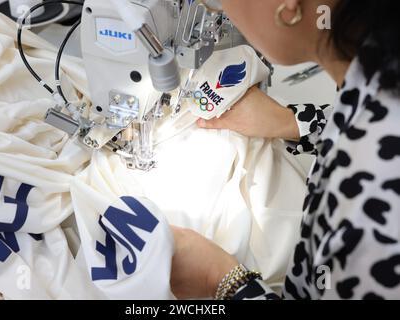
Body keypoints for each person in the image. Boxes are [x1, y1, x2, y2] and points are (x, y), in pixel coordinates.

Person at [170, 0, 400, 300]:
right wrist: (292, 122)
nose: (212, 8)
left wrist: (223, 282)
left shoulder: (373, 199)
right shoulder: (377, 72)